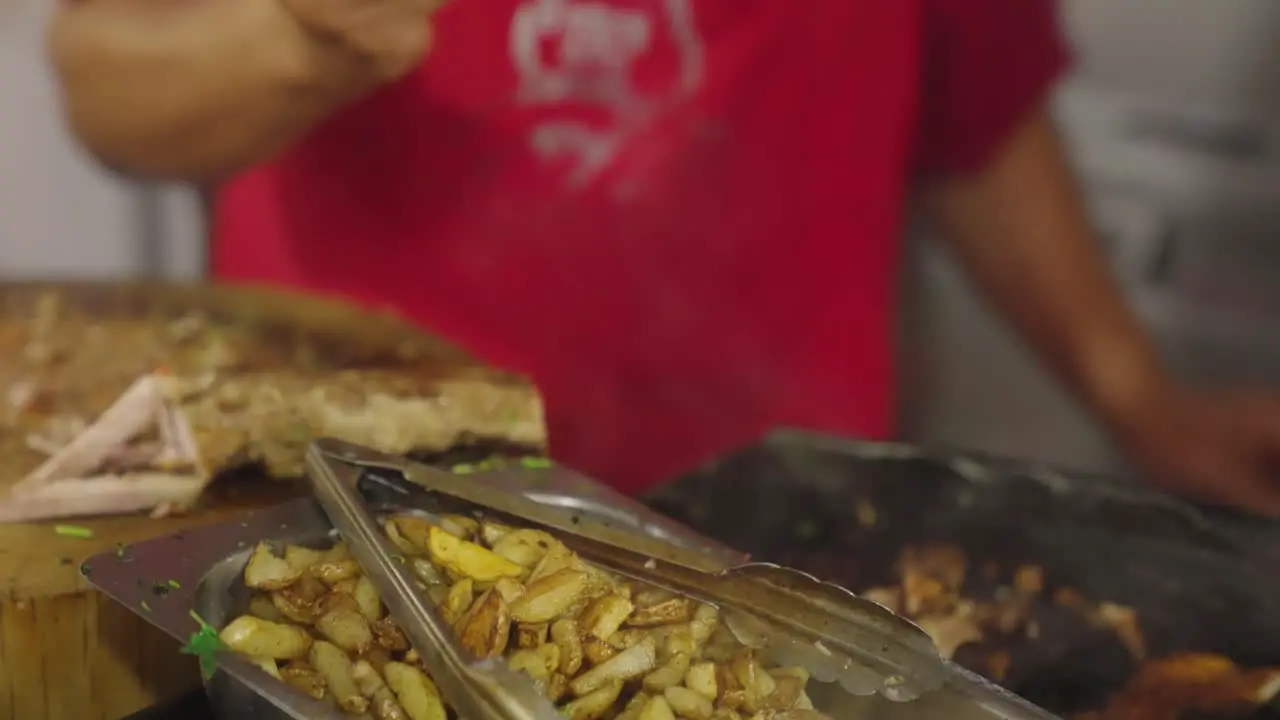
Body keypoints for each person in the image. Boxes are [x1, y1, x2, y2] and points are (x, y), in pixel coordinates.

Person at [47, 0, 1280, 511]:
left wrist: (1132, 391)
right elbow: (108, 79)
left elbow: (975, 110)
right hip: (348, 507)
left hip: (782, 525)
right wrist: (301, 36)